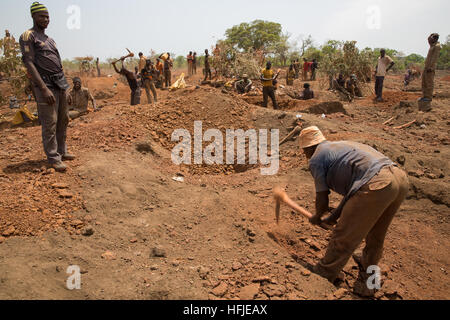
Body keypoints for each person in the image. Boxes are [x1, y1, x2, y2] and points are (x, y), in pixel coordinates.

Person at [299, 126, 409, 297]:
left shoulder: (316, 159)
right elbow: (355, 192)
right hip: (399, 179)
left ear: (308, 148)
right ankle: (369, 283)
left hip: (377, 184)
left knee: (343, 236)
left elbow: (322, 198)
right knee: (376, 237)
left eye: (304, 151)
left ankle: (323, 274)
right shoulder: (341, 146)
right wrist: (333, 217)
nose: (305, 156)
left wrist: (318, 216)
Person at [19, 2, 74, 172]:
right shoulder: (28, 36)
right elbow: (29, 62)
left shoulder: (50, 40)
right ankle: (53, 157)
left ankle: (61, 151)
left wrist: (66, 88)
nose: (46, 19)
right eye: (42, 16)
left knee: (63, 119)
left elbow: (58, 66)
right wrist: (43, 88)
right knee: (50, 122)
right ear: (33, 16)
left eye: (48, 16)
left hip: (59, 84)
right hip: (45, 85)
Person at [421, 33, 441, 103]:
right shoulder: (432, 45)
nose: (430, 39)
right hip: (426, 66)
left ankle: (428, 97)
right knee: (424, 81)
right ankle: (424, 96)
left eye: (432, 38)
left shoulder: (437, 46)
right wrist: (431, 35)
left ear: (435, 39)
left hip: (430, 67)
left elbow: (435, 58)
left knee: (429, 82)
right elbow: (428, 39)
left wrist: (431, 67)